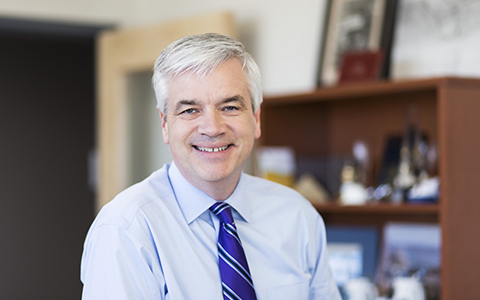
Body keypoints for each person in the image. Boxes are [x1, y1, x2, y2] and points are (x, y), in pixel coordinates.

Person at [80, 33, 341, 300]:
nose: (212, 128)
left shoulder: (298, 216)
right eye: (189, 110)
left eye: (229, 107)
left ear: (256, 118)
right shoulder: (126, 230)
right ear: (165, 124)